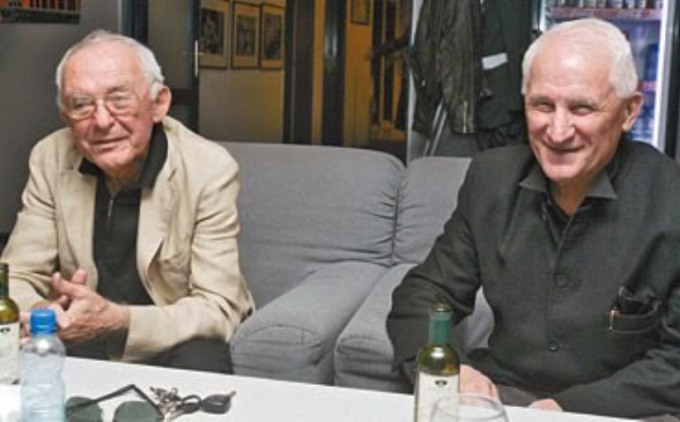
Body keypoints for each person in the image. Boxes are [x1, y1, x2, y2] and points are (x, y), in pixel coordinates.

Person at [387, 18, 680, 420]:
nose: (557, 132)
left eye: (581, 108)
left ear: (629, 112)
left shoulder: (671, 199)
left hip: (619, 410)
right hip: (504, 398)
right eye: (543, 105)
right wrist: (456, 372)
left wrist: (563, 409)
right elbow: (424, 295)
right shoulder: (491, 178)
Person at [1, 30, 254, 373]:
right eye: (81, 105)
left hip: (167, 337)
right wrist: (44, 314)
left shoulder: (209, 168)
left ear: (159, 103)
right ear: (65, 115)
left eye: (119, 100)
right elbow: (17, 276)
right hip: (74, 334)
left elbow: (218, 308)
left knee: (202, 359)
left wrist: (118, 320)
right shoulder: (50, 157)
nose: (102, 121)